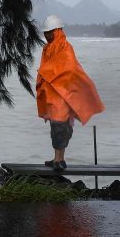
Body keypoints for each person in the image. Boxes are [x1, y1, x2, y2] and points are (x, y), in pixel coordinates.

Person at [36, 15, 105, 171]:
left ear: (58, 31)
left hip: (63, 95)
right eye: (45, 33)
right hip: (53, 95)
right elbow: (47, 69)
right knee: (56, 127)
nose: (47, 35)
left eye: (50, 32)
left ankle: (59, 160)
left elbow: (69, 68)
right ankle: (57, 158)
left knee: (61, 127)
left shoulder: (66, 48)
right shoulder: (47, 49)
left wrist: (48, 73)